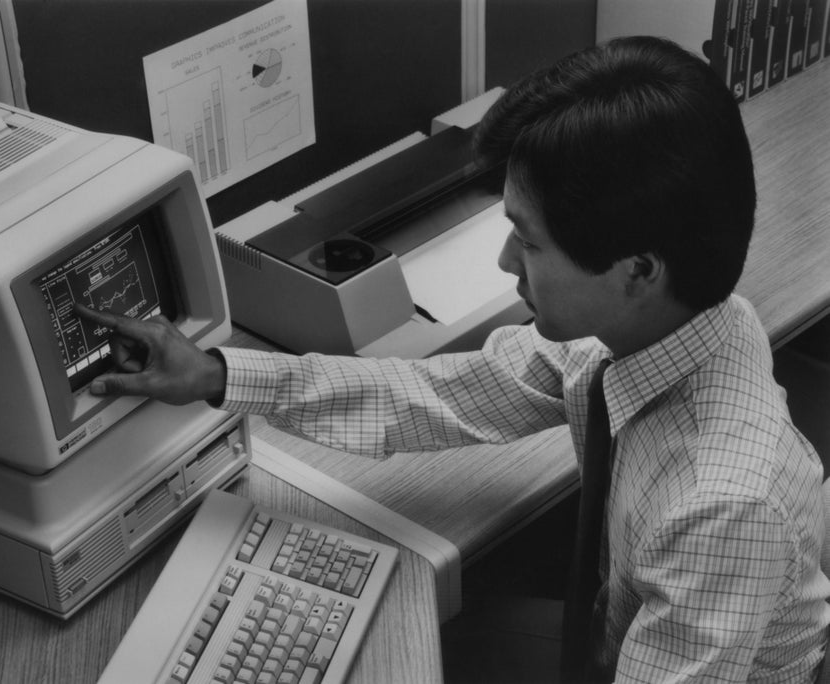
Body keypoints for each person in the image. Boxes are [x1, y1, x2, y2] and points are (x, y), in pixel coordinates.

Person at [77, 36, 830, 682]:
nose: (506, 261)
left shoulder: (723, 506)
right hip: (615, 638)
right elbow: (443, 393)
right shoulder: (659, 332)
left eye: (529, 241)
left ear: (638, 270)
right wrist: (218, 375)